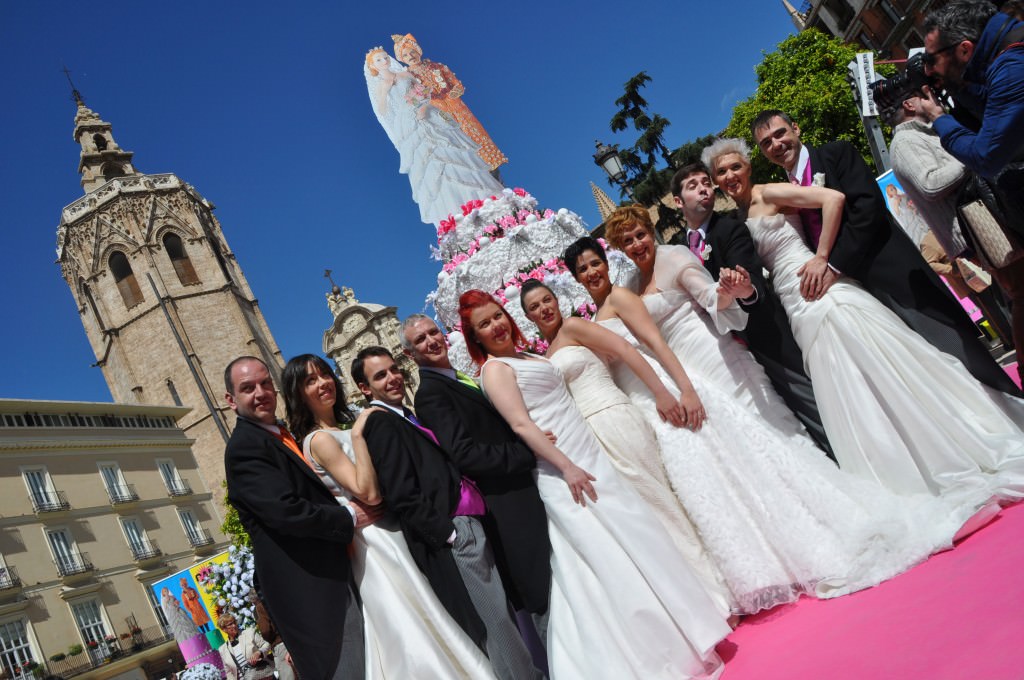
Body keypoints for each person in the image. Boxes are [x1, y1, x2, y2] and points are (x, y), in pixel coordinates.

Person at [563, 235, 981, 613]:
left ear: (605, 261)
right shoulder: (594, 315)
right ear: (576, 278)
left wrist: (683, 389)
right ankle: (763, 562)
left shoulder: (621, 297)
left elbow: (656, 344)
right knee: (717, 478)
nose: (591, 271)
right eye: (582, 269)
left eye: (594, 262)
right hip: (648, 405)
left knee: (744, 464)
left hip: (670, 393)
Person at [703, 136, 1024, 505]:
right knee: (846, 383)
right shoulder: (735, 220)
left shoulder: (770, 192)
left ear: (749, 167)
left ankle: (944, 449)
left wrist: (822, 257)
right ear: (716, 180)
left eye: (735, 167)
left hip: (821, 290)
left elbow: (833, 199)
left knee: (878, 364)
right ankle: (899, 465)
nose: (730, 175)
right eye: (721, 172)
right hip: (795, 305)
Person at [461, 289, 730, 679]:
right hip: (564, 472)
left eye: (498, 315)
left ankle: (687, 630)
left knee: (638, 538)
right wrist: (566, 466)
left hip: (590, 452)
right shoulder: (496, 370)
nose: (496, 325)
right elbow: (520, 424)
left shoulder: (527, 357)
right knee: (606, 558)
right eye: (484, 324)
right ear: (476, 337)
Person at [751, 108, 1020, 396]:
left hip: (893, 275)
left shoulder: (835, 153)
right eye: (766, 142)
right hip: (856, 296)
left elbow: (868, 210)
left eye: (780, 134)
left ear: (796, 129)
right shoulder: (786, 190)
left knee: (955, 352)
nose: (776, 145)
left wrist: (833, 266)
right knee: (920, 374)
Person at [518, 279, 734, 616]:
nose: (544, 309)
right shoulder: (544, 354)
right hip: (590, 436)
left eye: (547, 300)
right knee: (649, 513)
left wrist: (662, 392)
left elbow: (626, 350)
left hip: (615, 418)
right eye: (535, 307)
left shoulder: (575, 327)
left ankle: (720, 595)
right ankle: (698, 598)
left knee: (661, 500)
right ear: (528, 317)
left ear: (557, 300)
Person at [282, 354, 495, 680]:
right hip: (376, 543)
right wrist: (357, 436)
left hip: (390, 528)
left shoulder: (340, 426)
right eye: (310, 381)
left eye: (325, 375)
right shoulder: (321, 439)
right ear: (297, 393)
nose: (324, 383)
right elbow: (367, 492)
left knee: (431, 610)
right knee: (411, 616)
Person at [351, 347, 541, 680]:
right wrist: (448, 534)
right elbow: (401, 493)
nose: (393, 378)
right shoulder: (381, 423)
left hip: (468, 522)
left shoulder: (404, 416)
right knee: (495, 623)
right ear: (365, 388)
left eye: (394, 370)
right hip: (454, 532)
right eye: (380, 375)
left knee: (502, 616)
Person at [599, 206, 813, 447]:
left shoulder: (673, 257)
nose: (637, 244)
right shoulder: (631, 285)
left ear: (650, 232)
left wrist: (728, 291)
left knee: (762, 424)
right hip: (685, 369)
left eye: (640, 235)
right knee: (732, 437)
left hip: (714, 354)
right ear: (620, 248)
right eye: (628, 241)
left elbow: (710, 297)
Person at [401, 314, 552, 648]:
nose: (431, 341)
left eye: (433, 333)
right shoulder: (430, 394)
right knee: (542, 594)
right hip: (505, 504)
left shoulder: (458, 378)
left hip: (525, 491)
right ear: (410, 355)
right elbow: (465, 454)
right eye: (421, 340)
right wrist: (527, 452)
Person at [668, 162, 833, 455]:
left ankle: (842, 460)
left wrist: (745, 290)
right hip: (724, 353)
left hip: (763, 335)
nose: (703, 189)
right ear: (678, 202)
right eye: (693, 186)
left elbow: (752, 278)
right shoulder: (678, 248)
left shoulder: (730, 227)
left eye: (706, 182)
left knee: (808, 402)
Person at [224, 356, 368, 680]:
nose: (260, 392)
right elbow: (286, 512)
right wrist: (350, 516)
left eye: (264, 384)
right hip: (312, 591)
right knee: (349, 666)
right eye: (248, 388)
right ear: (231, 400)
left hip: (334, 573)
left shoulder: (277, 433)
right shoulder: (244, 447)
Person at [890, 92, 1024, 381]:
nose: (934, 98)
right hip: (979, 230)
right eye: (924, 95)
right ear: (909, 104)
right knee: (1020, 294)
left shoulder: (926, 132)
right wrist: (971, 152)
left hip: (991, 221)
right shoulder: (904, 143)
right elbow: (929, 184)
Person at [364, 47, 503, 226]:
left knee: (449, 149)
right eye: (379, 60)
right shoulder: (382, 85)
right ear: (374, 67)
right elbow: (383, 110)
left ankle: (481, 196)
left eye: (385, 58)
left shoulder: (406, 75)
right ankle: (454, 210)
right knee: (428, 160)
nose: (384, 61)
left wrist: (422, 103)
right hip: (408, 122)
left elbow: (424, 91)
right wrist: (386, 90)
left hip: (426, 112)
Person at [918, 0, 1024, 205]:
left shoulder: (1010, 69)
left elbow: (985, 158)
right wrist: (958, 88)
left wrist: (938, 117)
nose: (928, 71)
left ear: (965, 49)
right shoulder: (1013, 50)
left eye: (930, 60)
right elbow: (998, 104)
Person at [392, 34, 508, 172]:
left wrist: (456, 91)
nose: (410, 56)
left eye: (412, 52)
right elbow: (412, 100)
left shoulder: (436, 66)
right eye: (405, 55)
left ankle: (491, 165)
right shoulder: (408, 77)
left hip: (456, 106)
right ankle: (471, 172)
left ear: (418, 51)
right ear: (402, 59)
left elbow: (456, 83)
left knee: (472, 131)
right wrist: (423, 101)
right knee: (454, 138)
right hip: (436, 110)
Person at [216, 613, 275, 680]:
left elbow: (266, 645)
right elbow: (229, 672)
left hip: (263, 675)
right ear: (224, 629)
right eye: (230, 624)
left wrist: (259, 652)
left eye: (234, 622)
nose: (234, 625)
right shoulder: (223, 649)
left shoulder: (249, 633)